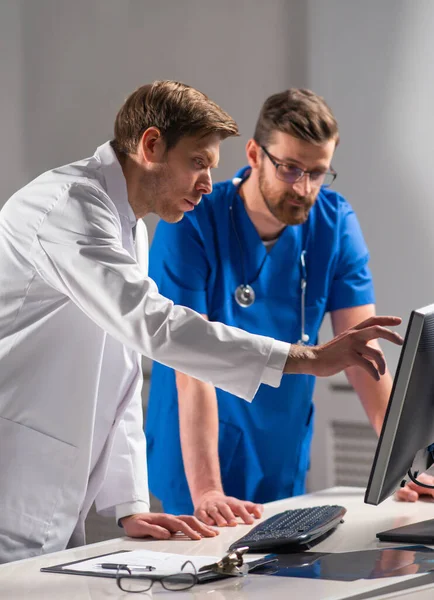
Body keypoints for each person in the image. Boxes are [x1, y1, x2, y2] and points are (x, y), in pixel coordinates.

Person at [0, 81, 402, 564]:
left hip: (52, 487)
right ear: (151, 146)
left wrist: (130, 505)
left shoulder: (127, 227)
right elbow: (158, 328)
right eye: (198, 163)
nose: (210, 182)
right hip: (16, 474)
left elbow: (122, 373)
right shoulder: (68, 209)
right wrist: (307, 358)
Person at [146, 87, 420, 526]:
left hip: (280, 441)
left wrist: (405, 463)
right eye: (291, 169)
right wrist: (209, 489)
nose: (305, 188)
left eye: (317, 173)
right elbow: (190, 362)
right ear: (255, 154)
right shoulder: (192, 221)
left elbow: (363, 353)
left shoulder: (333, 222)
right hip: (197, 452)